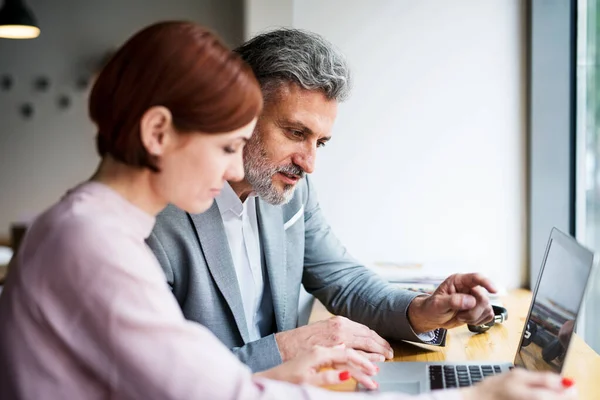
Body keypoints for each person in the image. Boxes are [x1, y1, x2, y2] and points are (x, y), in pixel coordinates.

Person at [0, 21, 575, 400]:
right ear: (158, 132)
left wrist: (421, 312)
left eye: (320, 143)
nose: (231, 170)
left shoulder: (98, 229)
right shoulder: (96, 245)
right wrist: (472, 395)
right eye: (228, 145)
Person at [147, 28, 495, 373]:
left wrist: (421, 310)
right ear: (239, 113)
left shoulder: (289, 189)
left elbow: (343, 281)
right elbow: (161, 375)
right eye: (296, 133)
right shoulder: (153, 220)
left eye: (320, 142)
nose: (308, 163)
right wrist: (289, 347)